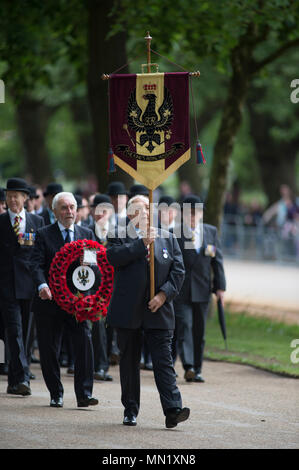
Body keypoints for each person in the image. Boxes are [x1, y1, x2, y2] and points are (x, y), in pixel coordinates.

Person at [106, 195, 190, 428]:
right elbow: (113, 257)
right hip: (127, 311)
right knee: (129, 363)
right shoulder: (117, 235)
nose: (144, 213)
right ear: (130, 215)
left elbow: (178, 271)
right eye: (138, 210)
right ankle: (130, 409)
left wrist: (163, 295)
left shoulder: (168, 238)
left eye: (146, 208)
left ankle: (173, 409)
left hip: (159, 311)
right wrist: (140, 243)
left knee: (163, 361)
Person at [30, 192, 98, 408]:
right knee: (49, 349)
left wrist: (88, 265)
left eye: (72, 207)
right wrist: (42, 285)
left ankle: (84, 394)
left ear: (77, 210)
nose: (69, 212)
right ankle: (55, 393)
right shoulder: (42, 234)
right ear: (54, 211)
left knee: (84, 345)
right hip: (49, 302)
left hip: (78, 303)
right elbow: (36, 264)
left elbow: (95, 268)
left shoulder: (86, 234)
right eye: (64, 208)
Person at [174, 194, 226, 383]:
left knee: (199, 330)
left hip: (203, 289)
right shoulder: (175, 233)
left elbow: (217, 261)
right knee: (185, 326)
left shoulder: (211, 232)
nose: (194, 217)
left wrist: (220, 287)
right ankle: (188, 366)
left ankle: (198, 368)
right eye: (190, 213)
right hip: (182, 290)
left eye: (197, 213)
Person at [0, 178, 44, 396]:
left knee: (26, 333)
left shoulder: (37, 221)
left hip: (30, 286)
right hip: (6, 287)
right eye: (9, 196)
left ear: (25, 198)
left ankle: (13, 380)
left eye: (16, 196)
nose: (12, 200)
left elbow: (41, 254)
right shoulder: (0, 222)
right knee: (15, 330)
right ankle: (24, 377)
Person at [88, 194, 114, 382]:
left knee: (113, 327)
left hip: (116, 287)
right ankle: (100, 365)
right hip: (95, 288)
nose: (101, 215)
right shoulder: (88, 232)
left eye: (104, 211)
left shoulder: (119, 232)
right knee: (98, 327)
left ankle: (112, 357)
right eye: (97, 211)